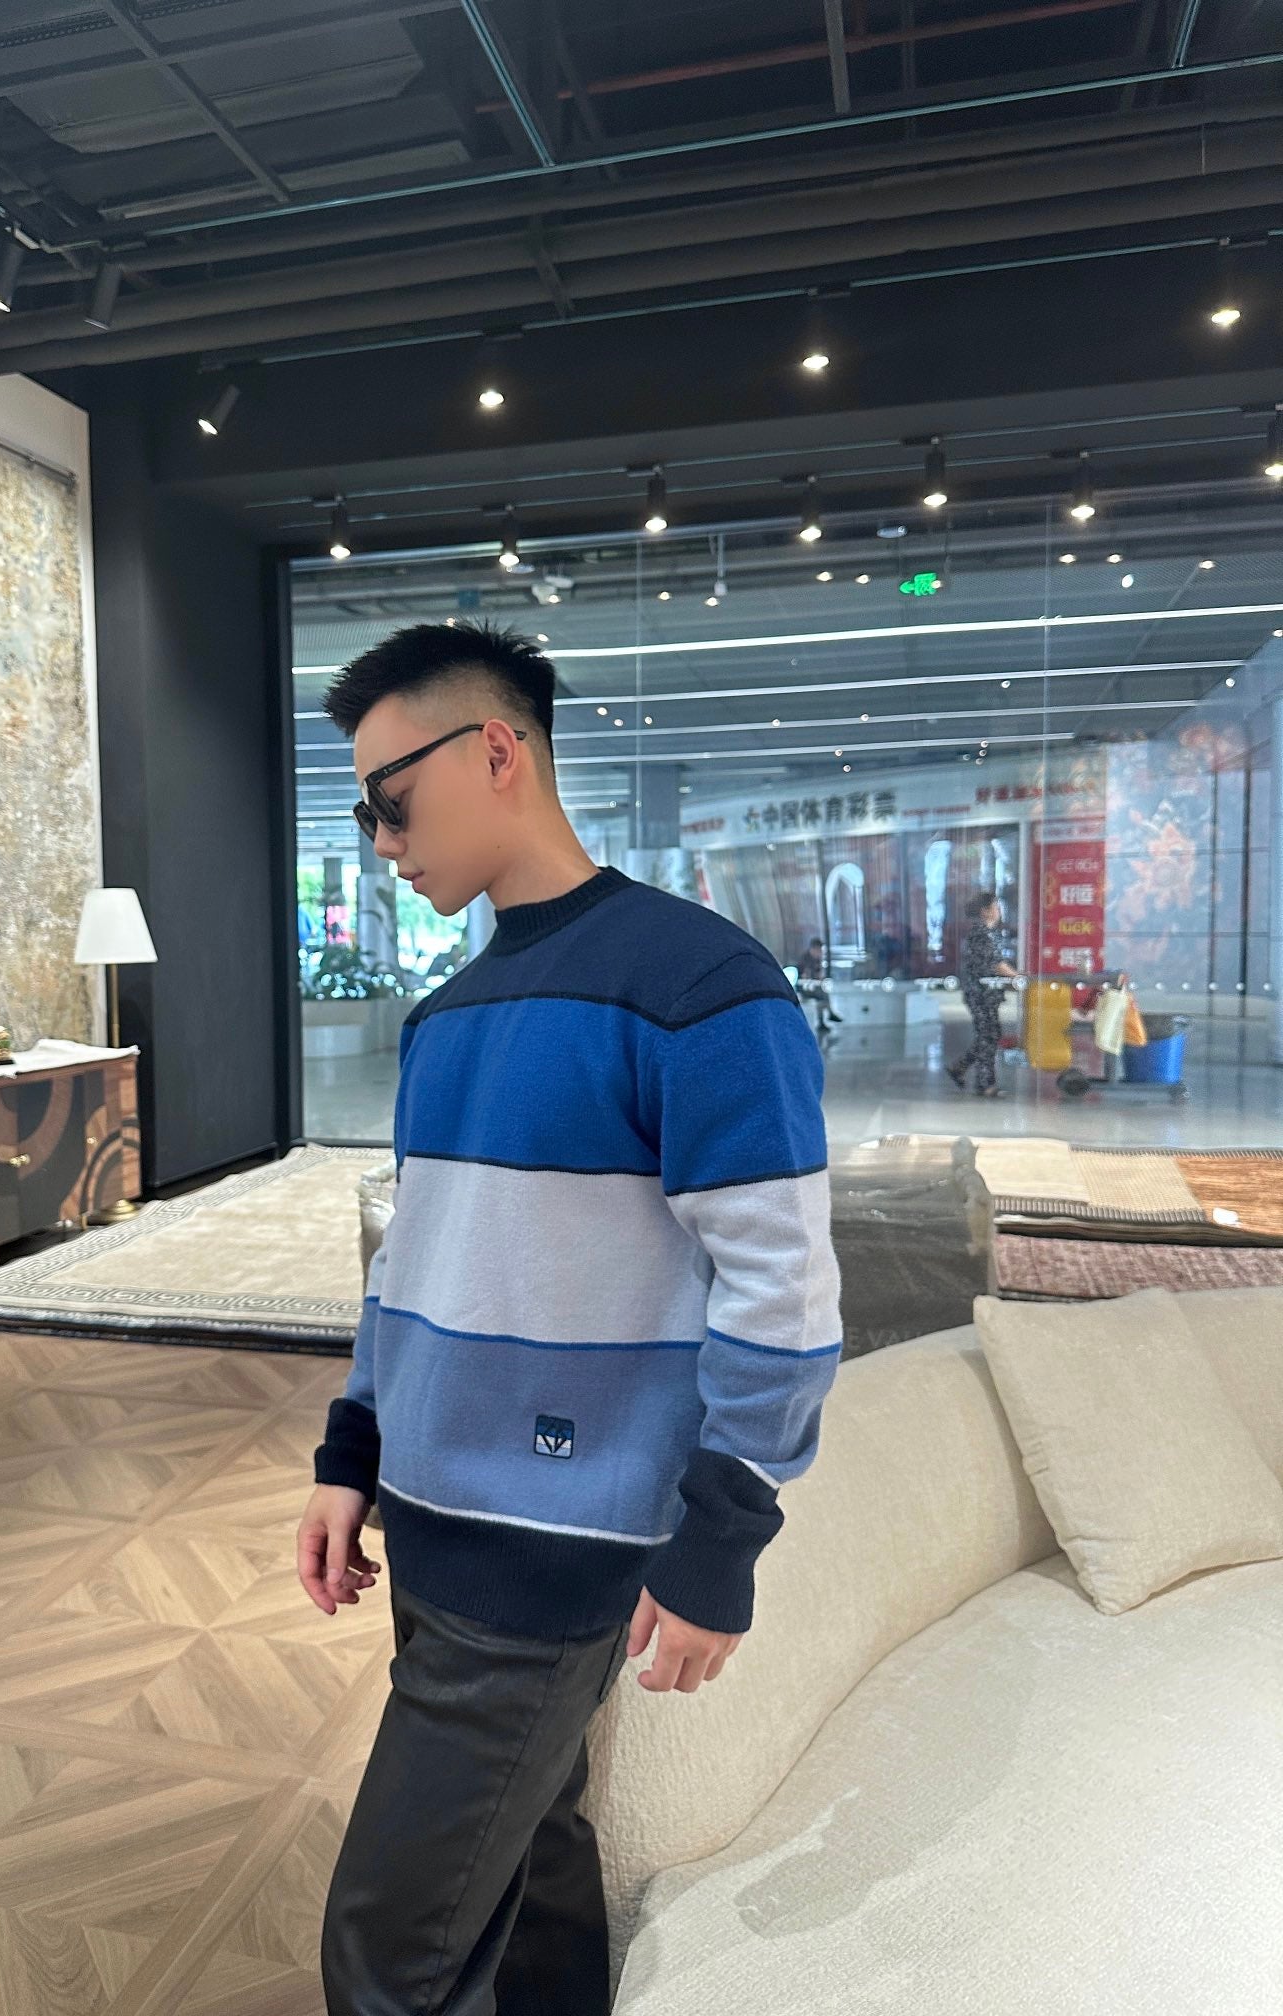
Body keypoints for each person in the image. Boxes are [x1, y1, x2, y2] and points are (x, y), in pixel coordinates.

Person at [300, 620, 843, 2016]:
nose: (383, 842)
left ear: (498, 751)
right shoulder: (446, 1016)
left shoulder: (701, 989)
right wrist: (351, 1454)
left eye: (391, 801)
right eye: (365, 815)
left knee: (387, 1951)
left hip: (554, 1557)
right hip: (432, 1530)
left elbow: (784, 1294)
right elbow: (413, 1267)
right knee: (529, 1875)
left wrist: (722, 1536)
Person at [948, 890, 1018, 1098]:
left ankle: (960, 1068)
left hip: (987, 993)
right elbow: (996, 963)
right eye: (995, 907)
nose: (998, 911)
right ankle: (984, 1083)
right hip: (980, 993)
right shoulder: (981, 933)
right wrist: (1018, 977)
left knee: (989, 1035)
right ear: (985, 911)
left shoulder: (989, 933)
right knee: (988, 1035)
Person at [796, 936, 844, 1032]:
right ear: (813, 949)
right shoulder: (805, 959)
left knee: (822, 994)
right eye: (819, 950)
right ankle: (828, 1015)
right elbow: (806, 976)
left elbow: (818, 975)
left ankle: (825, 1018)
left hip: (814, 986)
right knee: (822, 995)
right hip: (804, 987)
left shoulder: (816, 959)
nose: (820, 952)